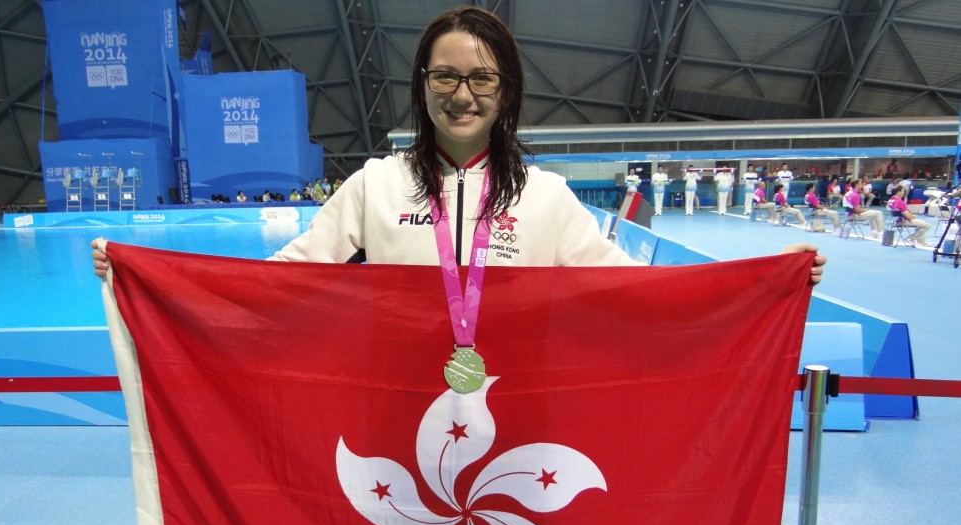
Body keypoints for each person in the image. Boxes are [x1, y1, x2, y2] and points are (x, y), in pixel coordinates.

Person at [93, 8, 824, 282]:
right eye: (444, 75)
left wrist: (767, 277)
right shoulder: (373, 186)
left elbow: (631, 286)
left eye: (481, 77)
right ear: (422, 85)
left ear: (505, 92)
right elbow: (283, 278)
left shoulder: (546, 198)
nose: (462, 93)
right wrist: (149, 273)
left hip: (521, 409)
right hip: (397, 406)